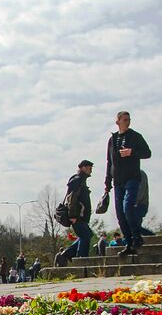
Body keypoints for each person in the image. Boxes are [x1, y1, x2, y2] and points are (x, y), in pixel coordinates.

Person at [103, 111, 152, 257]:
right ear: (118, 121)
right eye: (125, 119)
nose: (128, 122)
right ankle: (129, 242)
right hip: (118, 180)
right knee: (120, 213)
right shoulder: (112, 140)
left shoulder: (135, 136)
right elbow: (109, 161)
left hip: (132, 177)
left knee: (127, 207)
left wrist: (132, 152)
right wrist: (107, 180)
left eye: (129, 119)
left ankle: (137, 238)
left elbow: (147, 153)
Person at [55, 159, 94, 267]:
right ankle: (81, 260)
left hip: (81, 215)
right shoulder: (77, 180)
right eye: (89, 168)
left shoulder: (81, 180)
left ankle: (68, 253)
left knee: (87, 235)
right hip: (77, 215)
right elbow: (71, 198)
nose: (91, 171)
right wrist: (73, 215)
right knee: (85, 236)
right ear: (83, 168)